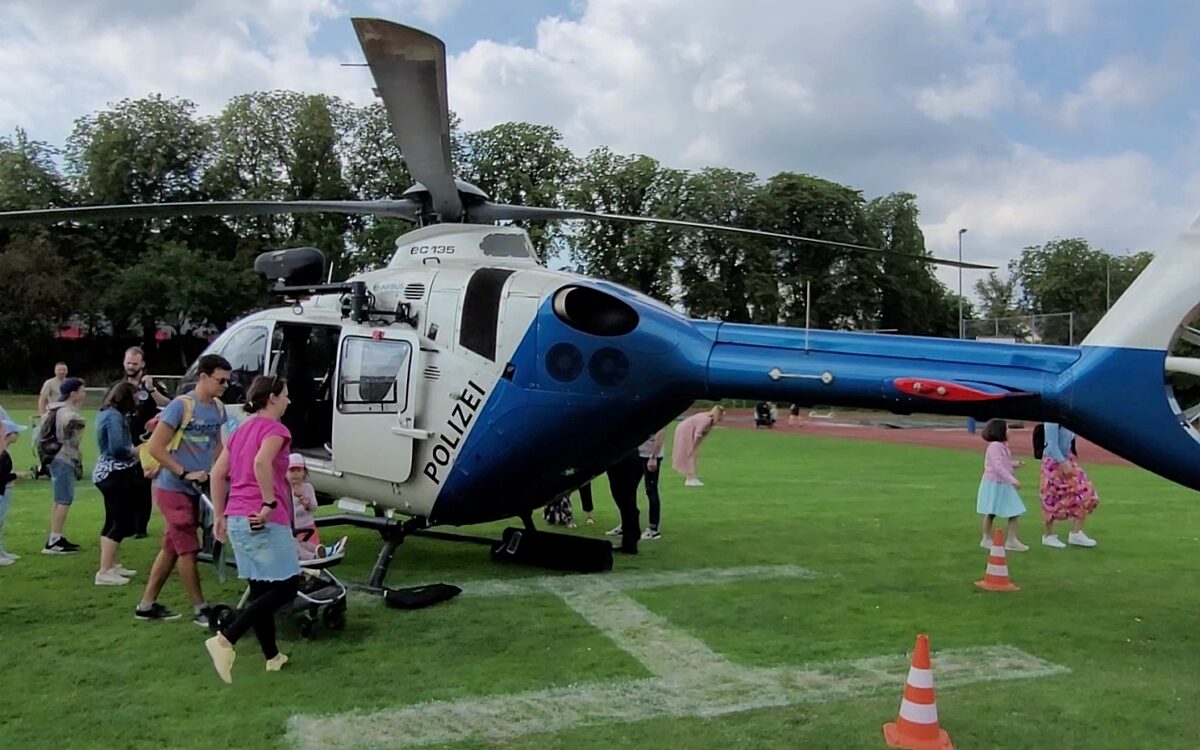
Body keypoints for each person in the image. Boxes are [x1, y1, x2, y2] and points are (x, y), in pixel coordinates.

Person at [205, 375, 298, 683]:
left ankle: (272, 657)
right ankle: (225, 640)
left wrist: (219, 515)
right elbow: (261, 462)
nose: (288, 401)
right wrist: (269, 503)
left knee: (260, 588)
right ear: (271, 398)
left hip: (237, 518)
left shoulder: (240, 431)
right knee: (287, 586)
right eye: (285, 395)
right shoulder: (276, 430)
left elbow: (217, 474)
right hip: (262, 518)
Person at [134, 354, 230, 624]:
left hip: (196, 488)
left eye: (227, 381)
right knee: (188, 547)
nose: (224, 385)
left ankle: (146, 605)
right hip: (173, 488)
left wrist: (222, 475)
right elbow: (155, 447)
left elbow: (218, 446)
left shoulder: (219, 409)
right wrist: (184, 472)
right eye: (220, 380)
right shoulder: (181, 406)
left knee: (171, 547)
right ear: (203, 377)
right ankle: (201, 609)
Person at [110, 346, 171, 538]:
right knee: (124, 483)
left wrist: (151, 389)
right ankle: (124, 525)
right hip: (124, 439)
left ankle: (140, 527)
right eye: (128, 363)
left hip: (146, 441)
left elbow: (169, 405)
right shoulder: (118, 386)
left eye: (134, 363)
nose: (130, 366)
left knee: (143, 484)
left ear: (142, 364)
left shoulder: (153, 384)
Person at [93, 383, 142, 585]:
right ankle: (104, 571)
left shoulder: (108, 413)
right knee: (120, 522)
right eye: (136, 396)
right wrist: (137, 451)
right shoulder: (114, 417)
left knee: (111, 520)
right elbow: (117, 448)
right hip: (115, 474)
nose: (139, 399)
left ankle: (110, 564)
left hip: (107, 473)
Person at [43, 378, 87, 555]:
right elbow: (71, 422)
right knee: (64, 499)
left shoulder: (54, 408)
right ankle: (54, 541)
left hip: (55, 458)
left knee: (59, 499)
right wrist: (79, 422)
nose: (84, 394)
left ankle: (55, 536)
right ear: (73, 394)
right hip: (63, 458)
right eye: (82, 391)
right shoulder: (66, 412)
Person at [1040, 422, 1099, 548]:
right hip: (1053, 463)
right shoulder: (1052, 421)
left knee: (1087, 492)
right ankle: (1048, 535)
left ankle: (1076, 533)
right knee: (1051, 498)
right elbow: (1052, 445)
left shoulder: (1067, 418)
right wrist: (1062, 462)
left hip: (1068, 459)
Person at [975, 419, 1028, 552]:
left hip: (1002, 484)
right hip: (995, 484)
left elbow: (1004, 463)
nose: (1009, 431)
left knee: (1015, 511)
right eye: (1007, 428)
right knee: (991, 512)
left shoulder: (1002, 446)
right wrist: (1012, 480)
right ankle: (986, 538)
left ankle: (1011, 540)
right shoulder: (995, 446)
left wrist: (1015, 464)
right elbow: (998, 466)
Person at [671, 405, 724, 486]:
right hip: (685, 430)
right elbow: (698, 434)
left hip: (690, 430)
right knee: (689, 453)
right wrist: (693, 447)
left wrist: (697, 447)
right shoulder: (706, 420)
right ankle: (689, 479)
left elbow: (703, 435)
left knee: (694, 454)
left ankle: (692, 476)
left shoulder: (711, 422)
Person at [0, 418, 28, 565]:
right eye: (15, 432)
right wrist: (16, 475)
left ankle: (1, 550)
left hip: (5, 491)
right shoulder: (2, 453)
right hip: (1, 491)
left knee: (1, 522)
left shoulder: (5, 451)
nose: (18, 435)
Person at [638, 429, 666, 540]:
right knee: (628, 490)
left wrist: (654, 456)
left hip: (649, 456)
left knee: (651, 490)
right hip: (637, 454)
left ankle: (653, 529)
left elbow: (662, 432)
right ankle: (627, 523)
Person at [288, 453, 319, 545]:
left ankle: (320, 553)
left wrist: (308, 503)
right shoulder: (285, 490)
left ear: (304, 472)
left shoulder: (308, 488)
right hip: (294, 529)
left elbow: (314, 508)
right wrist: (300, 506)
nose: (296, 474)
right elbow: (289, 513)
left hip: (309, 526)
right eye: (292, 470)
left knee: (313, 546)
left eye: (299, 470)